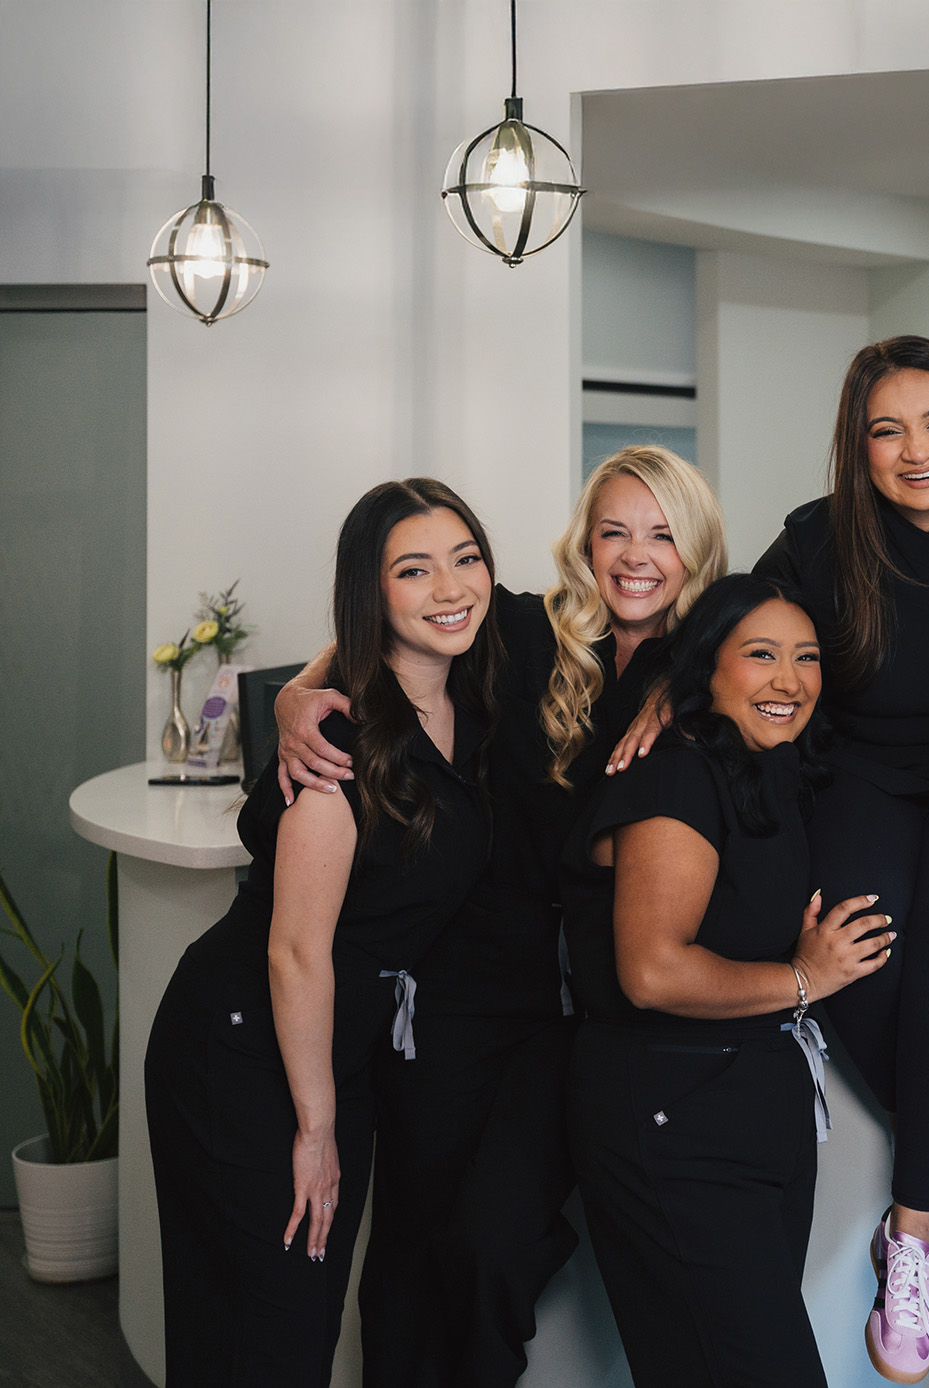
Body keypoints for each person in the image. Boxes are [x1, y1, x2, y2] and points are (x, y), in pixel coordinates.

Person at [610, 336, 929, 1381]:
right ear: (856, 448)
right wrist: (670, 691)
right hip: (859, 766)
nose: (916, 449)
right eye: (884, 430)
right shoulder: (817, 539)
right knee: (850, 940)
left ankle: (911, 1230)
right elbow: (734, 625)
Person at [273, 448, 727, 1385]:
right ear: (585, 544)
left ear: (697, 547)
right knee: (407, 1249)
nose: (637, 557)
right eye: (615, 532)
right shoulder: (529, 632)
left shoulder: (718, 661)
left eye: (664, 534)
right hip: (456, 997)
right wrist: (294, 696)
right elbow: (395, 628)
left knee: (488, 1245)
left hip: (594, 1018)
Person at [145, 479, 501, 1386]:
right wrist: (316, 1125)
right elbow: (295, 950)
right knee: (267, 1333)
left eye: (465, 558)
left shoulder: (466, 701)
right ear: (370, 593)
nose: (451, 587)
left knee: (287, 1326)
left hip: (328, 1052)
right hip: (246, 1053)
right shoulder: (343, 741)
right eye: (413, 570)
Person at [562, 573, 893, 1388]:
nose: (789, 680)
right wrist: (806, 976)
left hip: (748, 1120)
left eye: (807, 658)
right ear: (705, 668)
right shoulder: (676, 774)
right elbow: (652, 969)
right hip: (673, 1121)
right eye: (762, 655)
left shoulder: (767, 767)